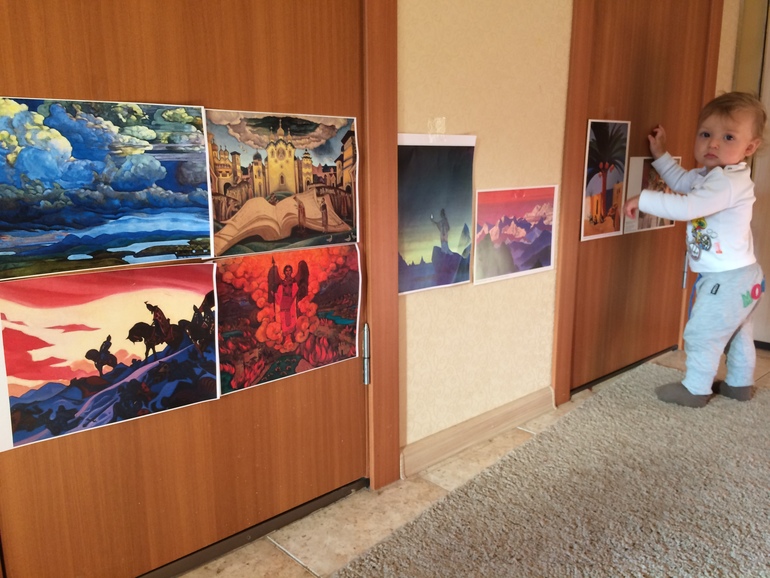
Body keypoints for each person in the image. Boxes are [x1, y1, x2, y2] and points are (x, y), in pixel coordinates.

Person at [623, 92, 766, 407]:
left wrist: (643, 199)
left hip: (727, 279)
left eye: (728, 137)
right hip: (744, 277)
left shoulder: (726, 184)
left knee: (703, 333)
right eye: (705, 134)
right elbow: (680, 181)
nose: (713, 144)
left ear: (750, 147)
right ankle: (739, 385)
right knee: (739, 331)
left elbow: (688, 207)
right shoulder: (712, 176)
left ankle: (696, 389)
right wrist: (661, 154)